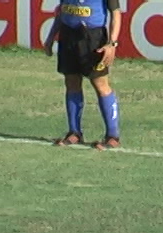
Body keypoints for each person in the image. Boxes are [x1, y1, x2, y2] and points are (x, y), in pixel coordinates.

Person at [43, 0, 122, 150]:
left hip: (94, 38)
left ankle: (112, 136)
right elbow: (62, 10)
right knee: (71, 82)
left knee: (100, 84)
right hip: (68, 35)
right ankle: (74, 132)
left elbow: (116, 13)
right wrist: (51, 36)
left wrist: (112, 43)